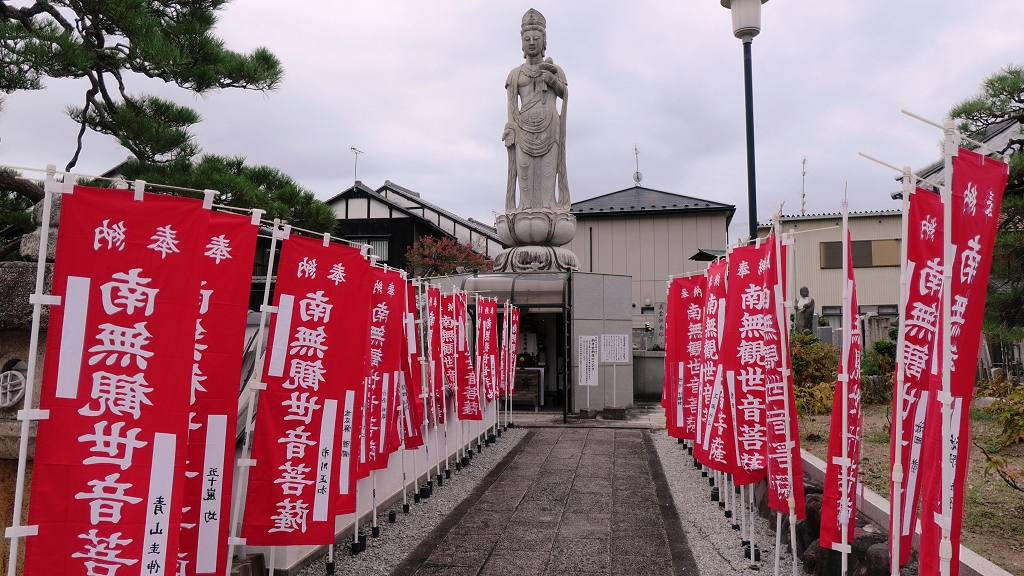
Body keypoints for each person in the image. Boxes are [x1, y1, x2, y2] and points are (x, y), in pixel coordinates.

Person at [502, 8, 570, 214]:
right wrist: (512, 129)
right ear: (522, 43)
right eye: (527, 39)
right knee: (525, 174)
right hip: (523, 130)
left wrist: (553, 81)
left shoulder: (554, 70)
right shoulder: (515, 75)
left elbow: (564, 94)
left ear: (544, 42)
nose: (532, 43)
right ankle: (525, 210)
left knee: (548, 175)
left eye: (536, 38)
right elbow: (512, 106)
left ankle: (548, 210)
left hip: (550, 127)